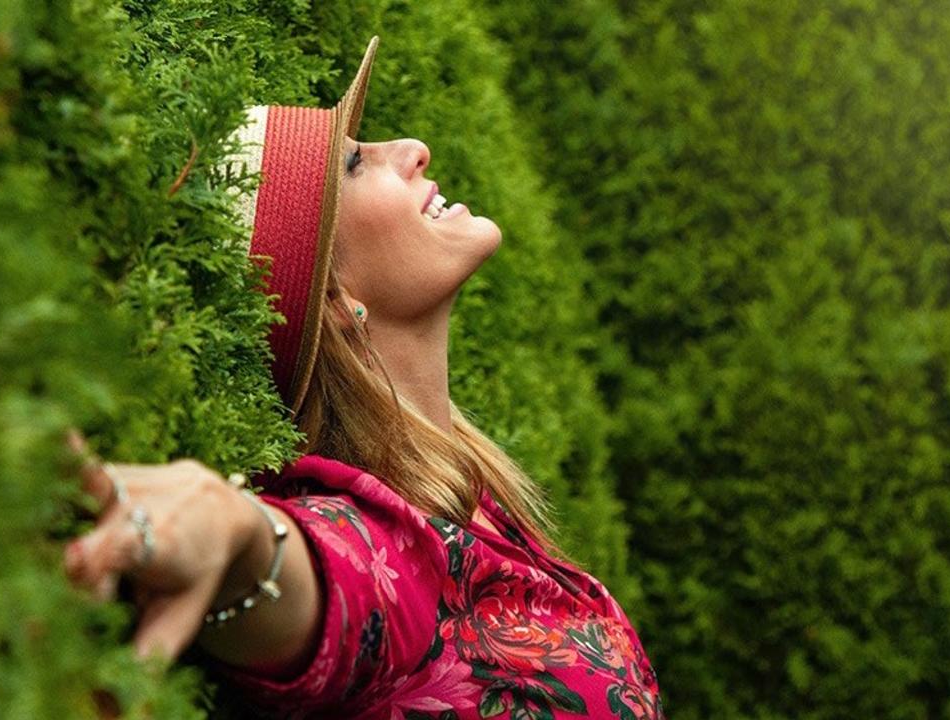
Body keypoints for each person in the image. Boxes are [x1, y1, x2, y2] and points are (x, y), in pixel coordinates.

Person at [62, 36, 664, 718]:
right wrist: (236, 533)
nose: (412, 148)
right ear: (334, 300)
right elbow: (323, 578)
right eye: (354, 163)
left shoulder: (472, 496)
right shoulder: (379, 543)